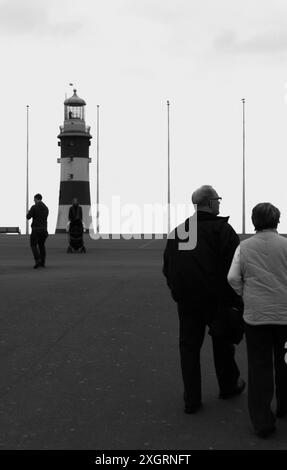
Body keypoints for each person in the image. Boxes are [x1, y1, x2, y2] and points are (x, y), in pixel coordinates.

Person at [163, 185, 245, 414]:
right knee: (223, 344)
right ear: (209, 202)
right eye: (218, 199)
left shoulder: (178, 230)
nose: (220, 203)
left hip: (187, 301)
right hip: (217, 300)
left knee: (189, 347)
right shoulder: (223, 230)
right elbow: (234, 268)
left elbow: (168, 267)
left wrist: (177, 292)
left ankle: (192, 399)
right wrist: (235, 300)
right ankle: (228, 386)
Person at [228, 202, 287, 438]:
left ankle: (262, 421)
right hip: (285, 317)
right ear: (277, 220)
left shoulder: (244, 247)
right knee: (284, 363)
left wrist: (246, 294)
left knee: (259, 367)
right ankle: (284, 406)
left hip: (256, 317)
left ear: (254, 222)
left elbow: (232, 277)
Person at [26, 193, 49, 269]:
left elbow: (28, 217)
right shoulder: (46, 208)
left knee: (33, 245)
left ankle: (37, 260)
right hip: (44, 230)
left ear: (36, 199)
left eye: (34, 199)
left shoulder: (34, 207)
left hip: (36, 230)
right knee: (42, 246)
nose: (34, 200)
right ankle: (43, 262)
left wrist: (29, 212)